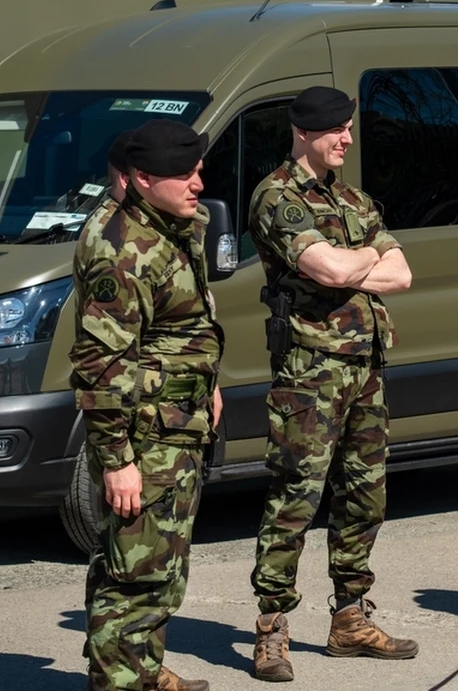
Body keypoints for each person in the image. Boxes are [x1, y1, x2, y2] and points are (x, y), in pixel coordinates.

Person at [247, 86, 415, 682]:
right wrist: (364, 258)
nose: (347, 138)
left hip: (365, 367)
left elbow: (403, 274)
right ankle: (272, 629)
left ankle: (350, 619)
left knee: (364, 496)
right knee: (295, 498)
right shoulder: (277, 197)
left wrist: (356, 260)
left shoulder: (352, 197)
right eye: (336, 130)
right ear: (304, 132)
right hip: (309, 372)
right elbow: (329, 267)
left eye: (348, 128)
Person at [71, 119, 224, 691]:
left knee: (151, 566)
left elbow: (183, 323)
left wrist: (207, 382)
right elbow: (99, 365)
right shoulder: (121, 252)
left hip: (175, 423)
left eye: (199, 169)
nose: (197, 183)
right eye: (183, 174)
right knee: (137, 575)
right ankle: (122, 680)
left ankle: (141, 669)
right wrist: (117, 460)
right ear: (140, 178)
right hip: (144, 438)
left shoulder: (171, 225)